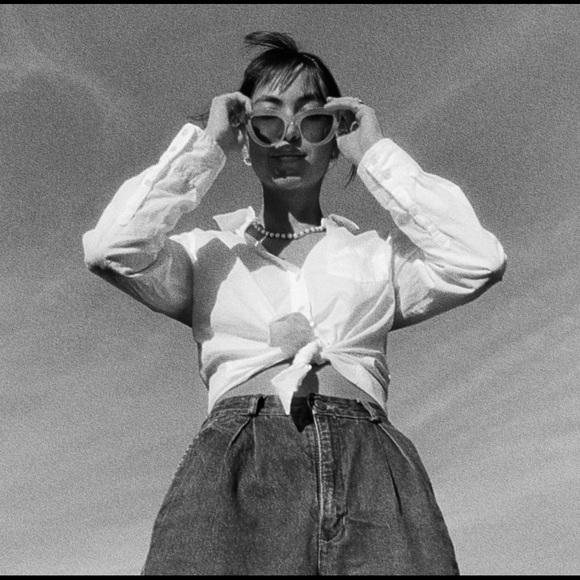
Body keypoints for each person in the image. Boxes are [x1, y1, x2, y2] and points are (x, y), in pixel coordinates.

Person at [83, 31, 506, 575]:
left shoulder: (377, 256)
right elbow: (112, 249)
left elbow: (478, 260)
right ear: (244, 139)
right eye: (267, 118)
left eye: (311, 120)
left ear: (334, 139)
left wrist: (376, 154)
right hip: (238, 468)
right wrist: (206, 146)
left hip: (373, 473)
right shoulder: (205, 254)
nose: (288, 135)